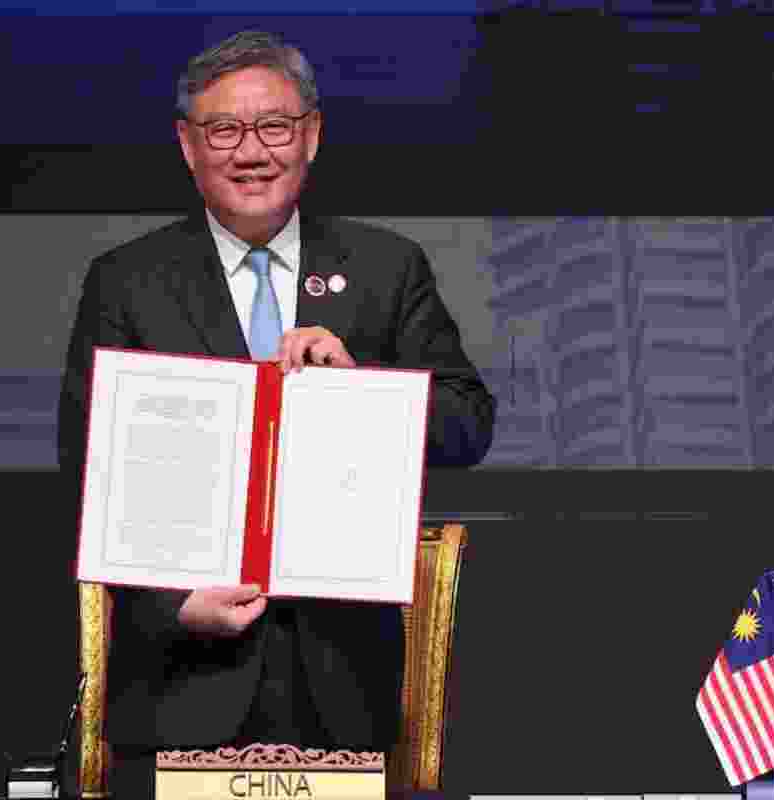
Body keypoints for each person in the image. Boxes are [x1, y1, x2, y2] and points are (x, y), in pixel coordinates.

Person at [55, 30, 496, 799]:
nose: (250, 151)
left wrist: (361, 393)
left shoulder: (387, 269)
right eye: (224, 129)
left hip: (342, 686)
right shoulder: (127, 281)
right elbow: (83, 470)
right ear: (188, 145)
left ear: (312, 135)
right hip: (176, 687)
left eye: (274, 127)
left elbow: (468, 426)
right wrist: (174, 605)